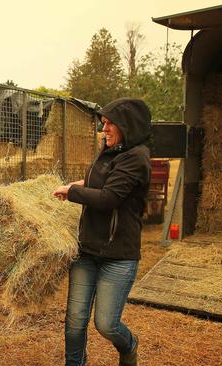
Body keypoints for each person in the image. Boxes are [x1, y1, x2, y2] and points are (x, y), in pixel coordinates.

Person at [53, 98, 152, 366]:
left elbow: (109, 197)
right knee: (75, 319)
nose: (104, 129)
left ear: (127, 125)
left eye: (110, 123)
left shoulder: (137, 157)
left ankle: (129, 345)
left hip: (118, 255)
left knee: (106, 324)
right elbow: (102, 180)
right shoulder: (108, 150)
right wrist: (80, 183)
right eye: (103, 123)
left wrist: (72, 191)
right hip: (87, 250)